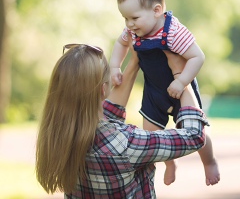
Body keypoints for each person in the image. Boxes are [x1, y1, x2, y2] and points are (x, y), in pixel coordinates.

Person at [36, 43, 210, 198]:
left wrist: (135, 61)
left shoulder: (58, 136)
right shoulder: (126, 143)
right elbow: (194, 136)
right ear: (104, 90)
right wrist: (181, 77)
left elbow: (110, 112)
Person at [110, 0, 220, 186]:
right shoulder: (133, 32)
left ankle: (209, 162)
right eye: (125, 18)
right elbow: (120, 44)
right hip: (154, 90)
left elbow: (198, 56)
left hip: (180, 87)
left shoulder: (173, 32)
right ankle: (170, 163)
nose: (129, 24)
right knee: (151, 135)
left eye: (134, 18)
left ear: (157, 10)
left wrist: (181, 81)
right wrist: (115, 66)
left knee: (196, 132)